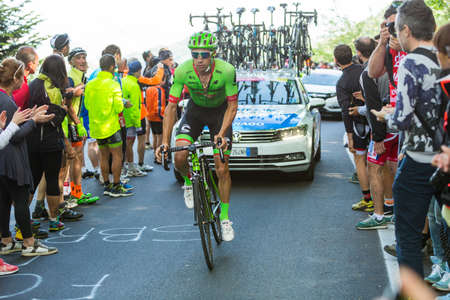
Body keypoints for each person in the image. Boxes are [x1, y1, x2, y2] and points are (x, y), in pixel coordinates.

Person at [371, 0, 440, 277]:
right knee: (438, 222)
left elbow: (403, 119)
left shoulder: (412, 61)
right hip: (443, 156)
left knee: (408, 237)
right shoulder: (443, 57)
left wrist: (384, 115)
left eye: (396, 29)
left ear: (407, 31)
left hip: (419, 161)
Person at [156, 32, 238, 241]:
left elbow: (232, 105)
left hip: (220, 114)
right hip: (195, 112)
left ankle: (226, 219)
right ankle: (188, 182)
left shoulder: (227, 71)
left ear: (213, 53)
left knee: (222, 167)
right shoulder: (182, 70)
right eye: (195, 54)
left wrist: (220, 134)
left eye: (204, 54)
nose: (199, 59)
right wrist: (165, 141)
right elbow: (172, 106)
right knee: (180, 156)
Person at [0, 57, 58, 256]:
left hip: (2, 160)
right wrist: (34, 121)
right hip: (11, 158)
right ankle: (29, 243)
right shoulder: (6, 100)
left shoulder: (2, 98)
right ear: (15, 78)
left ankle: (6, 240)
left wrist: (29, 116)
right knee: (21, 200)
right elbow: (14, 136)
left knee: (4, 200)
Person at [28, 54, 83, 232]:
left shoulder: (33, 84)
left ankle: (26, 219)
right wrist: (64, 108)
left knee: (33, 180)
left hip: (31, 139)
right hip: (50, 141)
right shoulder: (52, 88)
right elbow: (54, 119)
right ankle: (53, 220)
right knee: (52, 179)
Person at [352, 37, 394, 230]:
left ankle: (378, 216)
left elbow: (375, 106)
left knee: (374, 168)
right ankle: (391, 207)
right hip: (396, 126)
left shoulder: (368, 72)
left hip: (382, 128)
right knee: (391, 168)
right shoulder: (391, 65)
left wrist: (377, 136)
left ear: (359, 53)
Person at [84, 54, 132, 197]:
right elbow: (119, 108)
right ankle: (117, 185)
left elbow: (86, 105)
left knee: (103, 156)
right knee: (117, 155)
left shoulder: (90, 84)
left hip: (96, 128)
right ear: (112, 67)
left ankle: (107, 185)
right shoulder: (113, 84)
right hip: (111, 126)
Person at [333, 44, 372, 212]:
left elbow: (345, 111)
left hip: (359, 125)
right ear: (352, 55)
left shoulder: (342, 82)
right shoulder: (365, 69)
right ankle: (387, 200)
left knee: (360, 161)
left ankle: (368, 200)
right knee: (379, 164)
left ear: (336, 60)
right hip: (376, 120)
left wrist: (349, 136)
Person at [67, 47, 98, 205]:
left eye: (84, 57)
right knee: (75, 158)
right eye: (79, 57)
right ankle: (74, 194)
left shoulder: (82, 76)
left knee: (77, 158)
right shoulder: (71, 77)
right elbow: (67, 103)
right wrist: (78, 124)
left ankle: (75, 193)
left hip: (76, 121)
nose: (83, 60)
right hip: (71, 123)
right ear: (71, 61)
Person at [122, 59, 147, 177]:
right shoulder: (134, 85)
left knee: (127, 144)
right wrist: (137, 124)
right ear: (137, 71)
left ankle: (127, 165)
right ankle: (131, 168)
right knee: (129, 143)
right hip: (131, 120)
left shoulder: (123, 80)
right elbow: (135, 107)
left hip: (123, 118)